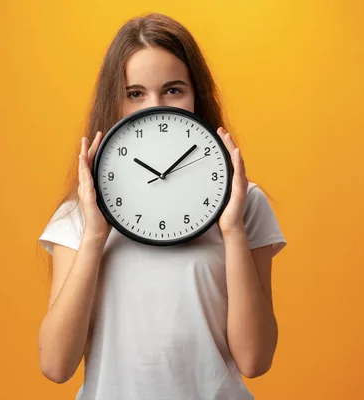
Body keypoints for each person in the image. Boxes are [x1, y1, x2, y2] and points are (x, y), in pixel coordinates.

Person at [37, 12, 287, 400]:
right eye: (135, 93)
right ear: (115, 103)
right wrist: (95, 234)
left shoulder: (244, 204)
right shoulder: (77, 217)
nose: (156, 108)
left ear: (196, 97)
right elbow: (55, 365)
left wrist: (233, 230)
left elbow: (254, 360)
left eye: (173, 90)